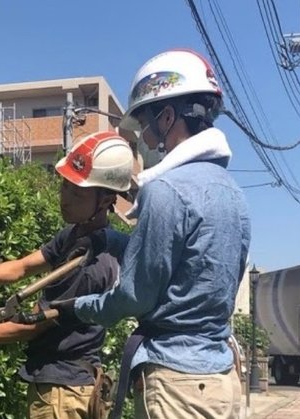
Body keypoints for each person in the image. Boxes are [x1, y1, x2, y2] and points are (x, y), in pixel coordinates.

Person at [52, 49, 251, 419]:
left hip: (176, 380)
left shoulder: (166, 191)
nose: (143, 136)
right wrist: (115, 241)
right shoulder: (231, 192)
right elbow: (189, 267)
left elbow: (134, 297)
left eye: (144, 122)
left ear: (168, 116)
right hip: (221, 376)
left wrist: (75, 308)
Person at [0, 131, 135, 419]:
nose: (65, 198)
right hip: (62, 384)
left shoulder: (91, 262)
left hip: (62, 393)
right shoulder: (74, 235)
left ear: (106, 200)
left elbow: (34, 324)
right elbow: (23, 267)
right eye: (64, 186)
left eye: (77, 192)